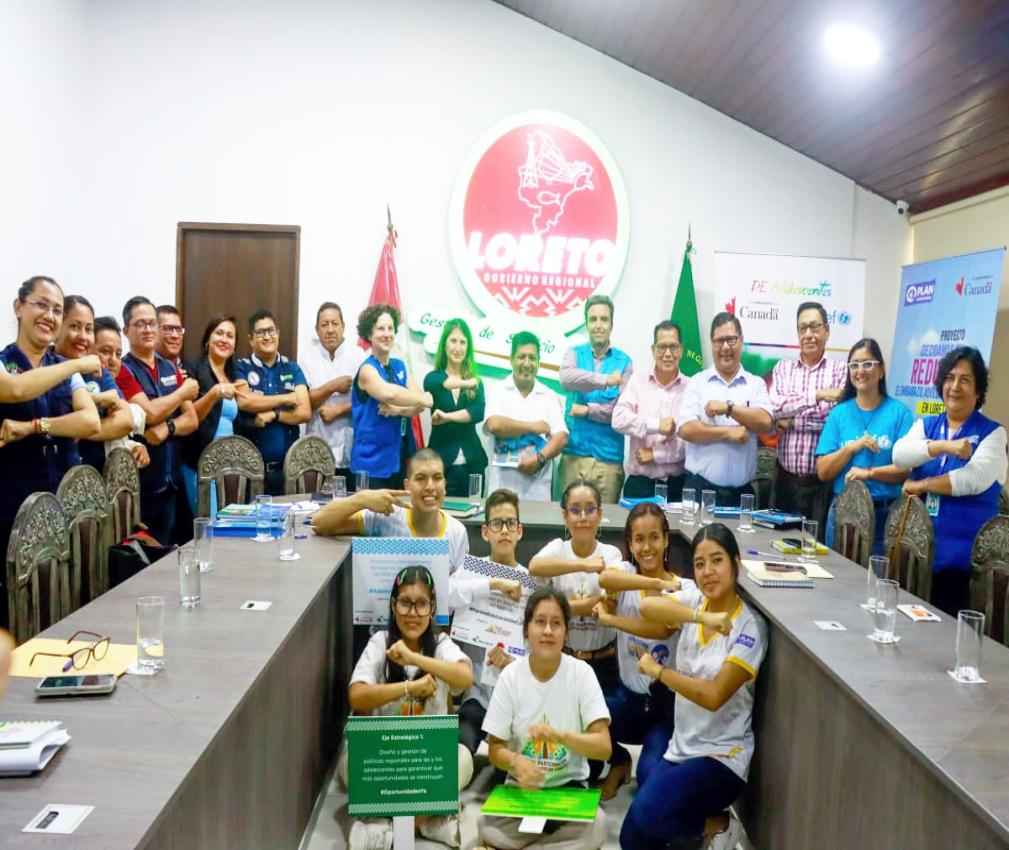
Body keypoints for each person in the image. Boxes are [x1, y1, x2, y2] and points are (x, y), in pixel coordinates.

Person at [621, 523, 764, 850]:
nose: (708, 571)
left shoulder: (750, 627)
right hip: (682, 748)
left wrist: (659, 671)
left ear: (736, 563)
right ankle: (701, 831)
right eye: (700, 564)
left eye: (717, 560)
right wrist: (702, 618)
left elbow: (713, 696)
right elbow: (647, 607)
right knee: (632, 838)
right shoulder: (696, 602)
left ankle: (722, 824)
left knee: (649, 815)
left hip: (722, 757)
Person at [346, 565, 473, 850]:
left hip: (427, 760)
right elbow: (357, 696)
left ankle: (388, 826)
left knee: (463, 758)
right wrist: (409, 688)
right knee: (350, 759)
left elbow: (465, 677)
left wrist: (415, 659)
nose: (413, 613)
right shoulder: (380, 642)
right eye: (405, 603)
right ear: (393, 606)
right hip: (386, 755)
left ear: (432, 608)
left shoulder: (441, 644)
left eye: (421, 604)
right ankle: (430, 820)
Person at [0, 276, 100, 627]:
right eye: (41, 305)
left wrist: (35, 426)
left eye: (57, 309)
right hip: (12, 508)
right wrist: (76, 364)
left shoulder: (63, 370)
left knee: (64, 602)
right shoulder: (5, 363)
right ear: (19, 307)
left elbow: (90, 421)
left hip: (62, 504)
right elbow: (15, 390)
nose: (50, 316)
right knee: (15, 608)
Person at [478, 587, 612, 850]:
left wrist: (560, 736)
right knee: (485, 823)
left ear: (566, 631)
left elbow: (603, 746)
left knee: (597, 825)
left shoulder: (582, 674)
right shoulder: (510, 676)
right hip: (521, 790)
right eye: (540, 622)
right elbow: (495, 750)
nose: (548, 631)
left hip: (569, 790)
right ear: (526, 629)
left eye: (556, 623)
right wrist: (517, 762)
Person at [894, 346, 1007, 616]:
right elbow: (899, 455)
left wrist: (921, 486)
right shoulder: (928, 426)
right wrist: (942, 446)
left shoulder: (993, 433)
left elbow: (973, 479)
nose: (955, 386)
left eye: (965, 380)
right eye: (950, 378)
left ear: (978, 391)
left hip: (965, 565)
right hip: (918, 557)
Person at [528, 481, 625, 796]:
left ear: (600, 514)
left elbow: (608, 604)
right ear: (565, 516)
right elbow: (534, 566)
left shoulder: (611, 553)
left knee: (591, 758)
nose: (583, 517)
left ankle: (620, 760)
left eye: (590, 509)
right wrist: (583, 565)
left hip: (604, 662)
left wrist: (562, 608)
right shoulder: (558, 548)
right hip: (565, 660)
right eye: (575, 510)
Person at [596, 503, 698, 790]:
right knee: (579, 715)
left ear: (666, 540)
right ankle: (619, 760)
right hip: (628, 700)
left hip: (665, 708)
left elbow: (662, 629)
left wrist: (612, 620)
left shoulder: (685, 588)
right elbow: (605, 578)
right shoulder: (626, 572)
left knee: (649, 777)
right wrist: (653, 580)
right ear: (630, 544)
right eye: (639, 539)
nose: (647, 547)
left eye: (654, 537)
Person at [816, 338, 913, 554]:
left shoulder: (900, 413)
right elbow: (822, 471)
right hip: (843, 514)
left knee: (876, 574)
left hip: (885, 517)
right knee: (836, 574)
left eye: (868, 364)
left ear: (881, 371)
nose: (860, 371)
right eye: (854, 365)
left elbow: (906, 470)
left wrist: (869, 473)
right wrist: (851, 448)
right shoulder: (839, 413)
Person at [116, 296, 199, 545]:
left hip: (172, 483)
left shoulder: (169, 367)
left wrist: (168, 427)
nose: (148, 329)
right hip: (142, 486)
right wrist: (183, 392)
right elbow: (149, 413)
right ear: (126, 330)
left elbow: (191, 419)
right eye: (140, 324)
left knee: (173, 550)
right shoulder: (123, 370)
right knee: (144, 556)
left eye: (151, 323)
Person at [456, 488, 528, 758]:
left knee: (519, 763)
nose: (505, 530)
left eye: (511, 523)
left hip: (515, 697)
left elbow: (538, 647)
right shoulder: (472, 571)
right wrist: (494, 583)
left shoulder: (530, 581)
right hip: (476, 695)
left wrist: (512, 661)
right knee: (459, 754)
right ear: (486, 532)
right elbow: (446, 594)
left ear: (520, 531)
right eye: (497, 524)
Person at [769, 302, 848, 536]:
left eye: (815, 327)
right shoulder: (783, 369)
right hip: (785, 482)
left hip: (821, 486)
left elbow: (834, 420)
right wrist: (819, 396)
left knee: (818, 549)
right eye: (803, 328)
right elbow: (776, 407)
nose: (809, 334)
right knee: (777, 548)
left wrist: (793, 421)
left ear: (827, 330)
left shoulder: (840, 371)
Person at [678, 312, 773, 505]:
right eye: (719, 341)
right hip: (699, 489)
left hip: (742, 494)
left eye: (731, 340)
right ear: (712, 344)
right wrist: (728, 433)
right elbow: (687, 429)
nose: (725, 347)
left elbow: (765, 422)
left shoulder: (755, 384)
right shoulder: (697, 382)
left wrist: (728, 409)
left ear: (741, 341)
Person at [559, 295, 632, 503]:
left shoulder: (625, 363)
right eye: (593, 320)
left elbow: (618, 412)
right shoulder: (574, 354)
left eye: (604, 319)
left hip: (608, 462)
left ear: (611, 324)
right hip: (573, 456)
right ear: (586, 324)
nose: (598, 325)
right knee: (568, 519)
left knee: (606, 521)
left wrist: (587, 410)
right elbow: (566, 379)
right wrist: (605, 380)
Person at [351, 304, 433, 489]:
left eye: (390, 328)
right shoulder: (367, 369)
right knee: (370, 509)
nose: (387, 334)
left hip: (397, 459)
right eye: (380, 329)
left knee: (398, 508)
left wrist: (397, 410)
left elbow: (419, 406)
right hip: (370, 464)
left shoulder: (400, 366)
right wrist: (420, 399)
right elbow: (389, 393)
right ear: (369, 334)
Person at [483, 331, 568, 502]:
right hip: (501, 491)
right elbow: (494, 424)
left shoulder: (549, 396)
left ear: (538, 362)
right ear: (511, 359)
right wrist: (534, 427)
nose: (527, 363)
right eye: (521, 357)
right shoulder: (497, 390)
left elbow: (562, 437)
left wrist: (539, 458)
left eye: (532, 358)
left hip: (538, 493)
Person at [53, 295, 134, 471]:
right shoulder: (46, 365)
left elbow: (126, 420)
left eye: (88, 329)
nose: (82, 336)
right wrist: (97, 399)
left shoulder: (98, 372)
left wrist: (82, 430)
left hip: (92, 476)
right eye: (74, 327)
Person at [235, 310, 311, 495]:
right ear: (250, 339)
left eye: (271, 330)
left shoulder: (291, 368)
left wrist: (275, 414)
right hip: (250, 472)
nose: (267, 336)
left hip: (288, 471)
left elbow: (304, 412)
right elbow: (245, 401)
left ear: (278, 333)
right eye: (260, 332)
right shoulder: (241, 366)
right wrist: (286, 398)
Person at [613, 320, 689, 500]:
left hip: (677, 486)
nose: (668, 354)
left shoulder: (692, 388)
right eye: (662, 347)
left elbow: (690, 444)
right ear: (653, 350)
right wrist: (655, 425)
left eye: (673, 347)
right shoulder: (637, 382)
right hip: (640, 484)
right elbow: (618, 419)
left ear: (681, 350)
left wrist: (655, 454)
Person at [181, 315, 249, 514]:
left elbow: (234, 420)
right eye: (219, 333)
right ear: (207, 339)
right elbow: (190, 418)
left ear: (234, 345)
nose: (224, 339)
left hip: (230, 467)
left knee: (228, 523)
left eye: (230, 336)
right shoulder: (192, 369)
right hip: (200, 463)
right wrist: (214, 393)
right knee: (208, 522)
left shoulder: (233, 374)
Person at [424, 318, 488, 498]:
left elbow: (478, 413)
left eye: (462, 342)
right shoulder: (432, 378)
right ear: (444, 345)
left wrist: (447, 417)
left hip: (472, 464)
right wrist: (469, 383)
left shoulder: (476, 380)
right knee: (441, 513)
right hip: (441, 466)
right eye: (453, 341)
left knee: (474, 512)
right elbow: (447, 383)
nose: (457, 347)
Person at [301, 302, 364, 481]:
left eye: (335, 324)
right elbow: (306, 401)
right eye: (324, 324)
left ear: (343, 327)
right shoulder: (307, 357)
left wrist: (338, 410)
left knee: (351, 498)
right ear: (317, 329)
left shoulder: (358, 355)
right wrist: (333, 386)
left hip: (351, 450)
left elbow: (366, 400)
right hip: (316, 452)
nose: (330, 330)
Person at [92, 316, 150, 469]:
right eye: (105, 352)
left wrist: (133, 447)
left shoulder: (111, 386)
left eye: (118, 354)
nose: (113, 361)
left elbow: (124, 425)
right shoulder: (76, 382)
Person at [155, 304, 192, 375]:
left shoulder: (191, 370)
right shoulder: (144, 371)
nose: (175, 335)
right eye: (168, 329)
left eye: (178, 329)